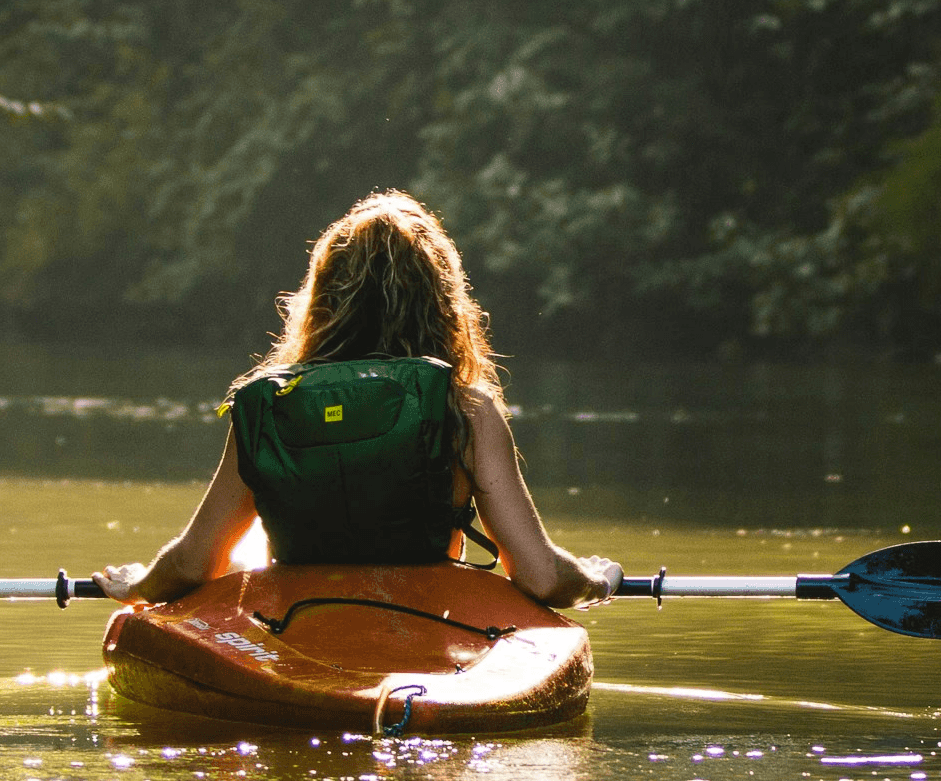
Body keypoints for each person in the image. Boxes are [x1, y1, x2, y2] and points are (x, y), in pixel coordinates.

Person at [92, 193, 620, 609]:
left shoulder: (272, 405)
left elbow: (193, 564)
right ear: (443, 302)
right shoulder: (468, 411)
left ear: (321, 298)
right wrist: (595, 579)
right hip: (429, 624)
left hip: (296, 622)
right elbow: (543, 578)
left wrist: (141, 584)